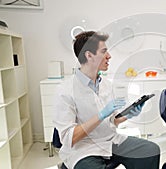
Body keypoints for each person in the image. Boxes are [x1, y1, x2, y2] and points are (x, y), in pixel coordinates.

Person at [53, 31, 160, 169]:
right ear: (89, 55)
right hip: (83, 149)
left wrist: (127, 115)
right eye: (104, 52)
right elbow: (69, 138)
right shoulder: (65, 91)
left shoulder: (106, 84)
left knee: (150, 151)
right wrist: (100, 115)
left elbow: (112, 121)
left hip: (110, 141)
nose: (109, 56)